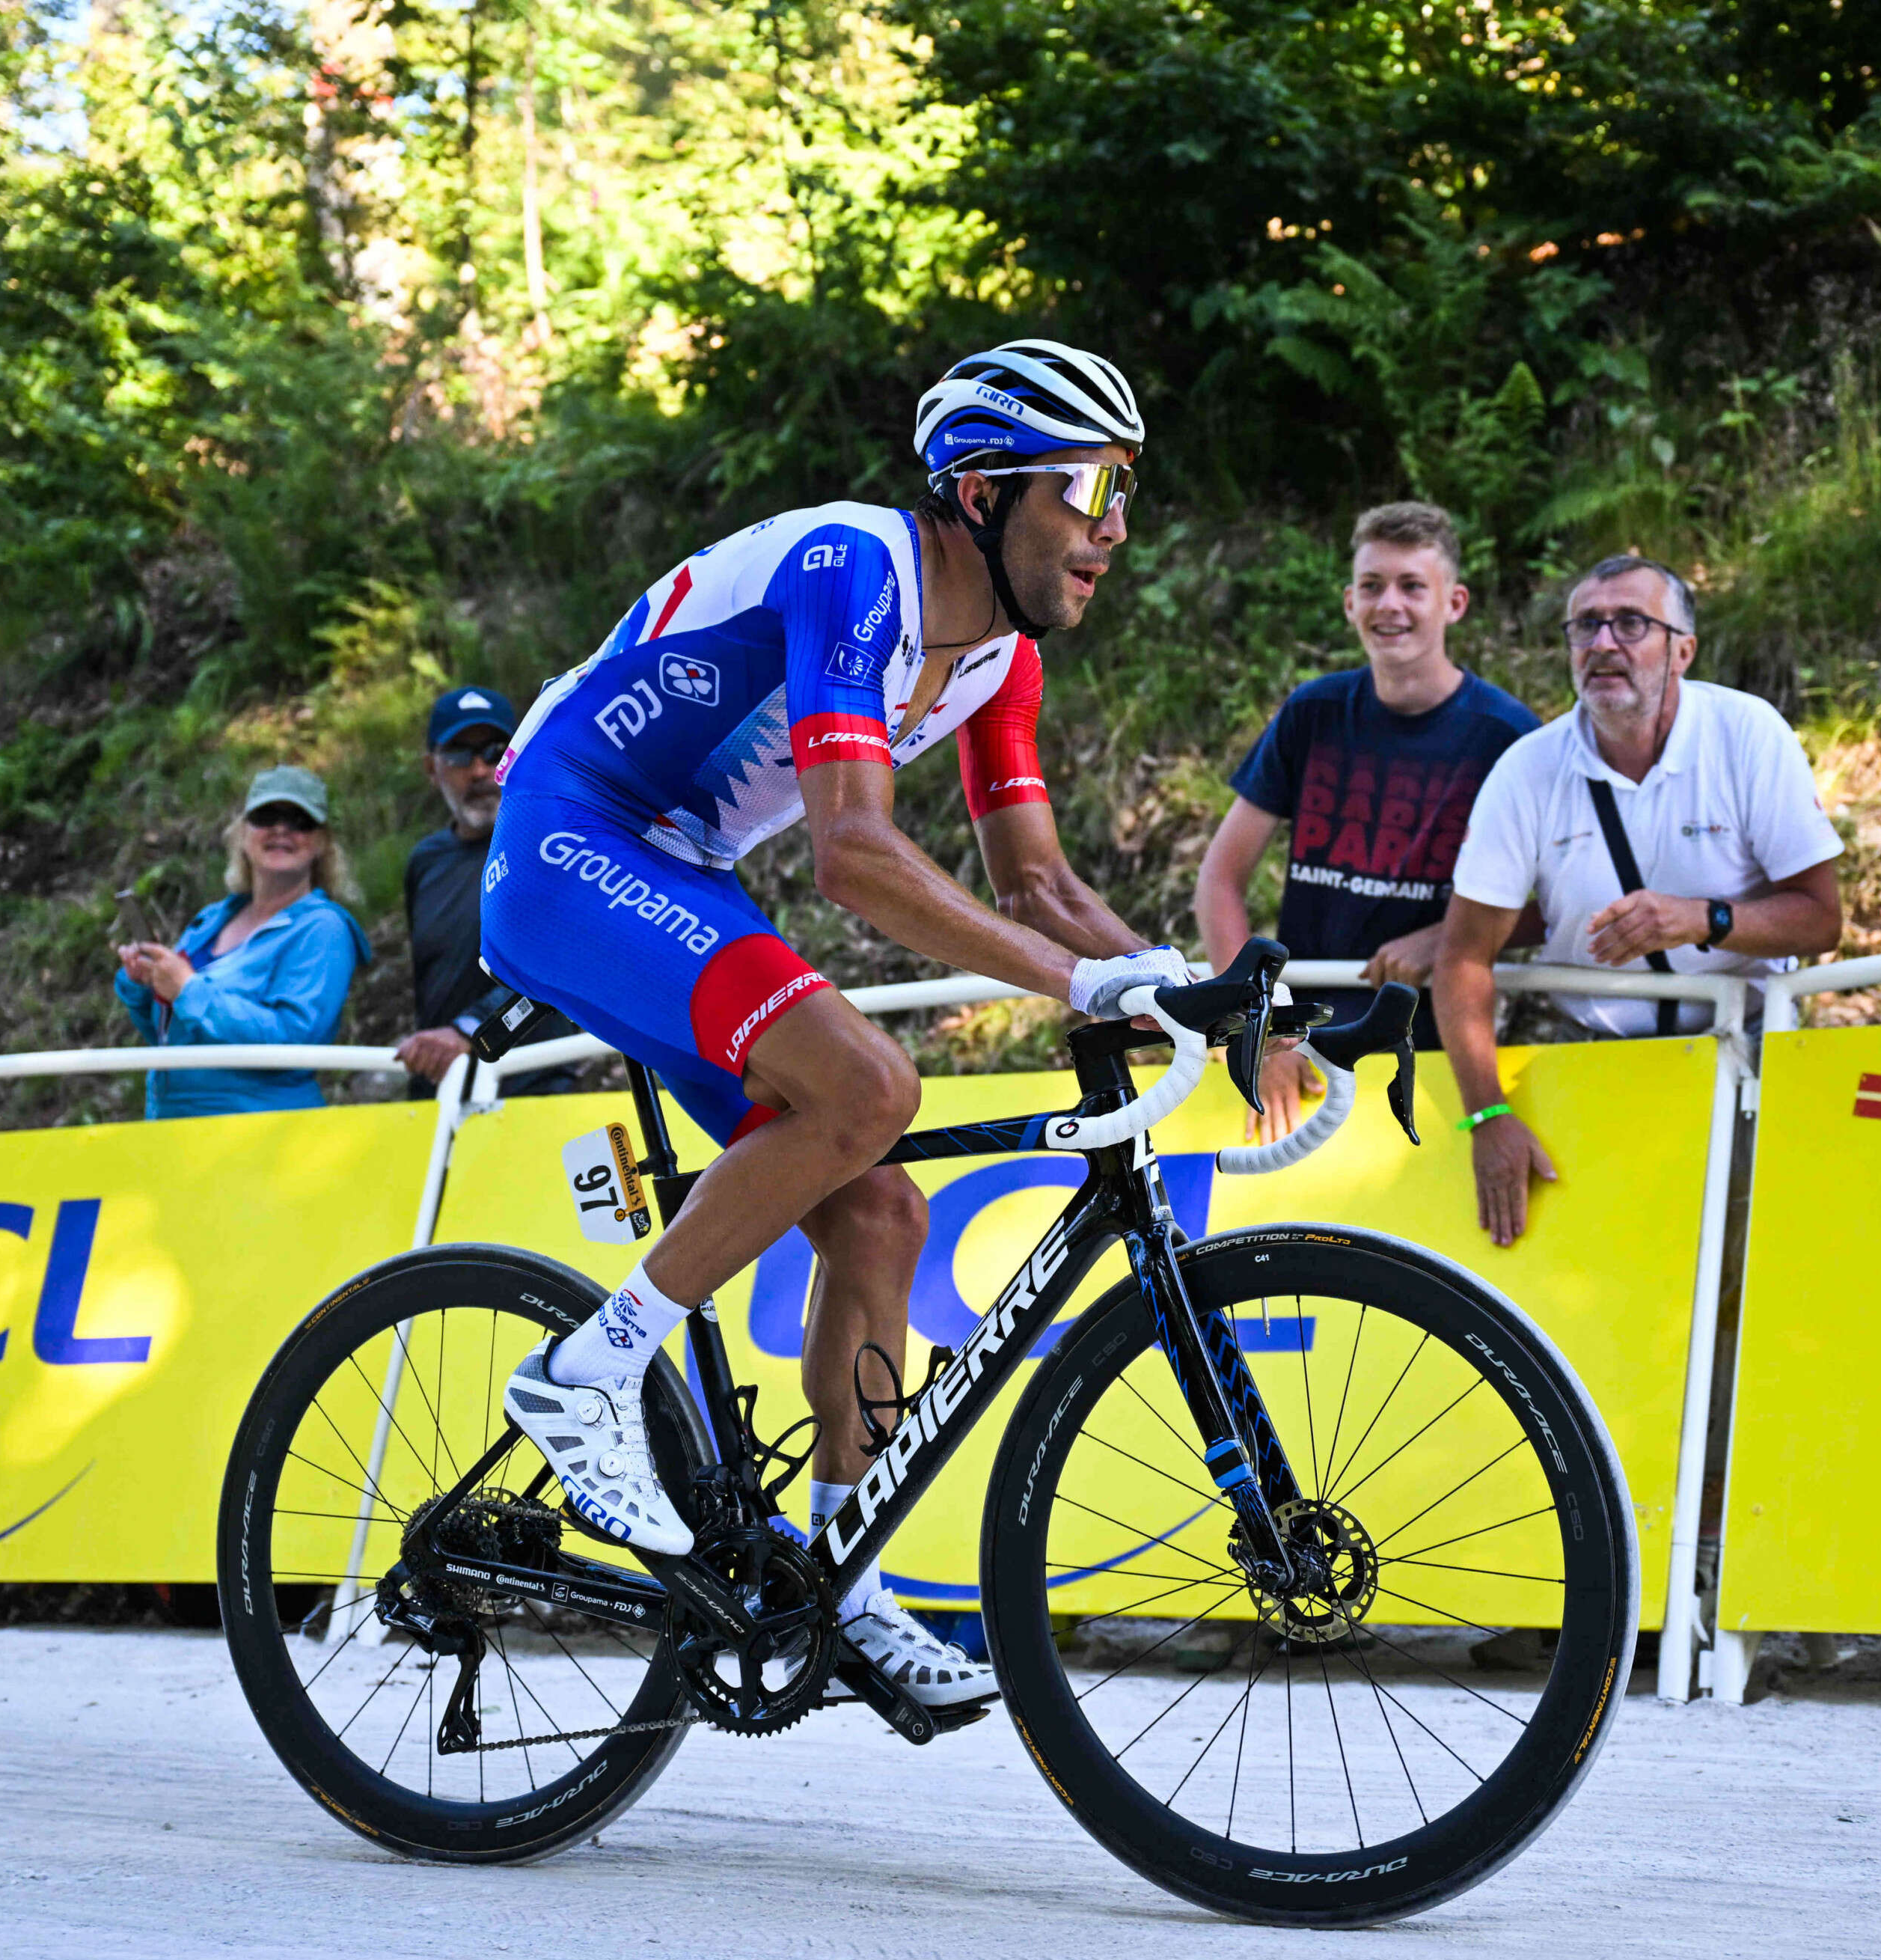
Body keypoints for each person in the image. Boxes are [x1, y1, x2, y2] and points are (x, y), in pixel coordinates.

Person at [482, 339, 1180, 1705]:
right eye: (1088, 487)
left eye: (1128, 493)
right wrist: (1076, 982)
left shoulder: (1002, 662)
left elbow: (1035, 879)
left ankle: (838, 1573)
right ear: (982, 492)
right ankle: (584, 1376)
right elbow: (853, 857)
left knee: (882, 1217)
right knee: (869, 1087)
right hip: (571, 837)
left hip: (673, 870)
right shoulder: (856, 567)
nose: (1109, 531)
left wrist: (1180, 982)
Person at [1431, 555, 1844, 1247]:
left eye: (1631, 624)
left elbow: (1821, 918)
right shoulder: (1529, 770)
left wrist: (1702, 919)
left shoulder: (1746, 734)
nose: (1602, 645)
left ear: (1683, 650)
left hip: (1743, 1051)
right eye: (1585, 627)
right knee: (1608, 1267)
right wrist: (1486, 1117)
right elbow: (1462, 960)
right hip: (1597, 1056)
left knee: (1749, 1266)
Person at [1193, 501, 1538, 1140]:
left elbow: (1556, 908)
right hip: (1302, 1054)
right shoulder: (1314, 712)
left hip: (1436, 1061)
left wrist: (1447, 938)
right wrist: (1259, 1031)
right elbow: (1219, 881)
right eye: (1373, 586)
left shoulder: (1509, 736)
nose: (1390, 605)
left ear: (1454, 603)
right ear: (1350, 603)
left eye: (1413, 586)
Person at [114, 766, 372, 1119]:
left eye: (300, 820)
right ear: (242, 835)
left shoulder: (324, 929)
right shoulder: (211, 920)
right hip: (175, 1136)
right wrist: (146, 985)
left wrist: (188, 990)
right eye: (266, 816)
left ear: (322, 843)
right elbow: (175, 1037)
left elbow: (293, 1041)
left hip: (263, 1138)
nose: (281, 829)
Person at [391, 687, 572, 1094]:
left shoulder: (553, 843)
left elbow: (557, 963)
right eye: (458, 755)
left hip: (533, 1086)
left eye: (494, 751)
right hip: (441, 1094)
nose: (478, 771)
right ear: (430, 767)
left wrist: (469, 1030)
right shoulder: (425, 862)